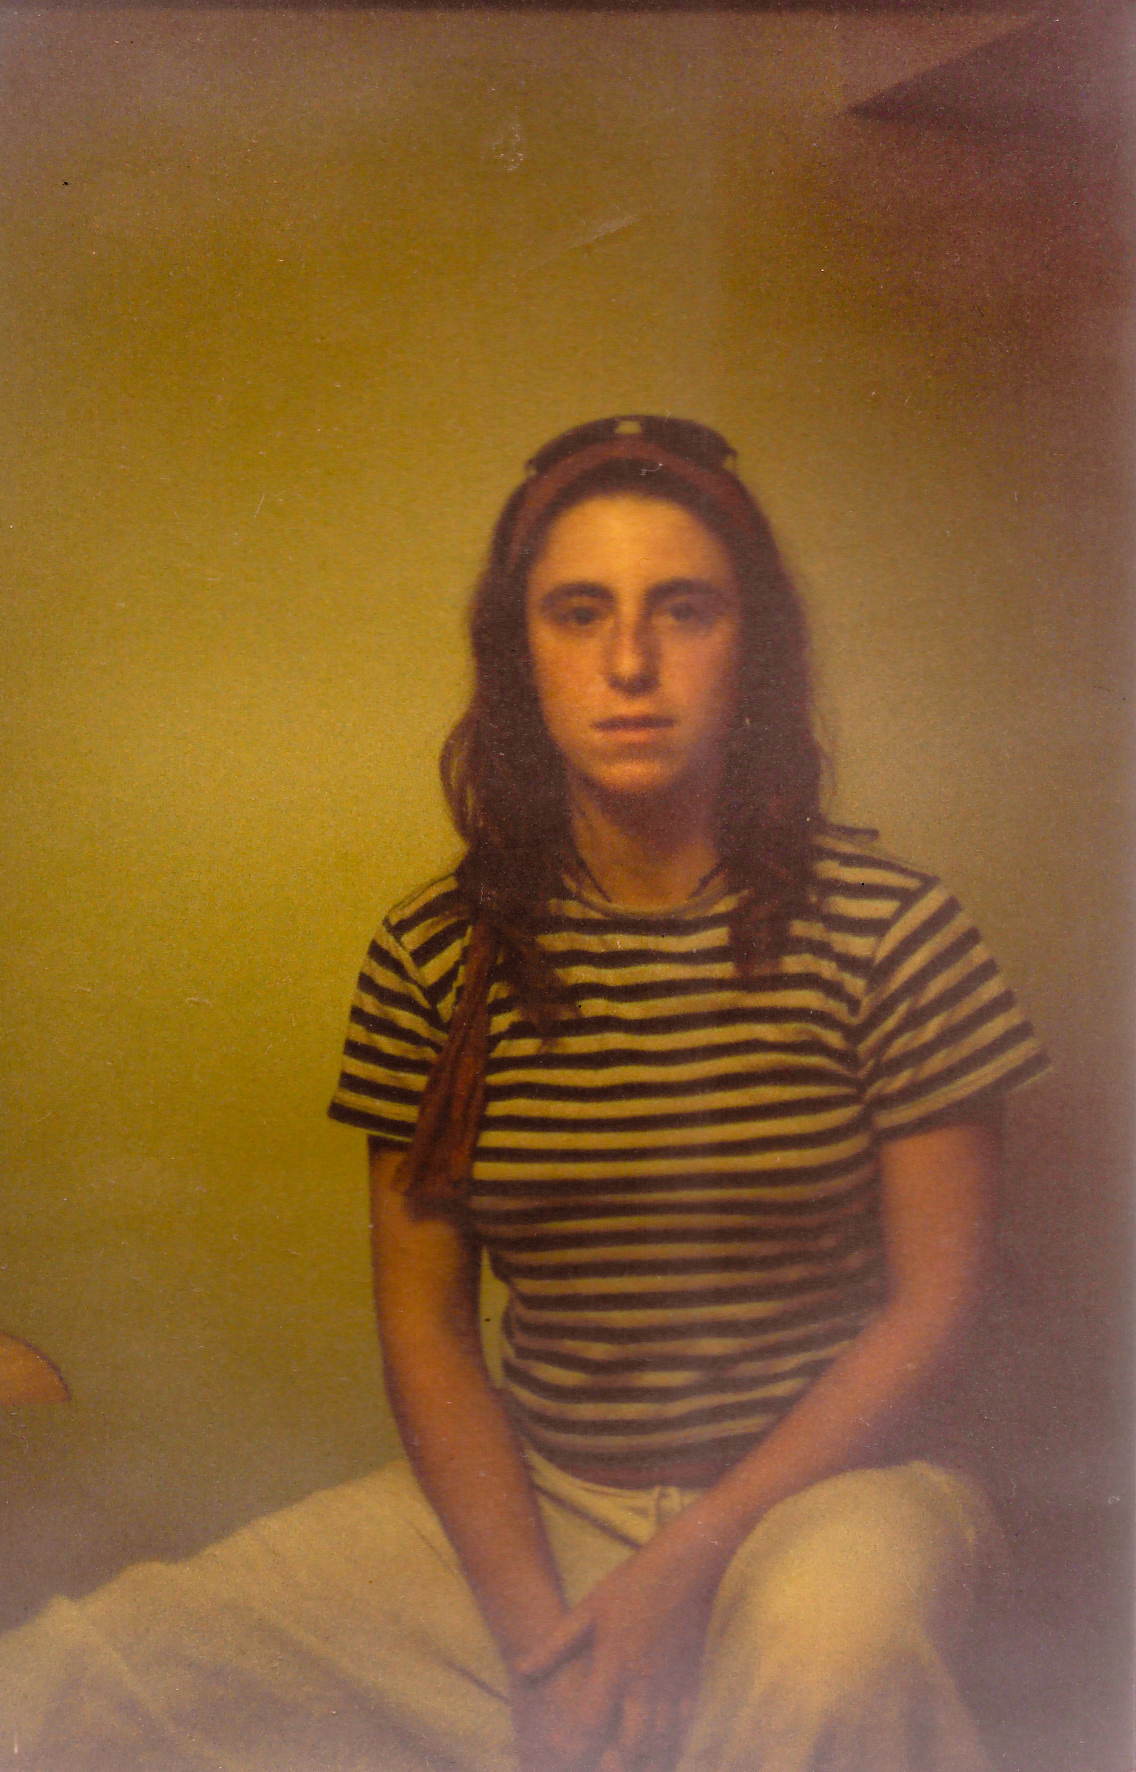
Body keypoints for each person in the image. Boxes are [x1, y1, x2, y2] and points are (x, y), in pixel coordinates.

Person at [0, 416, 1046, 1772]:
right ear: (520, 658)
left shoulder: (891, 931)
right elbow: (429, 1332)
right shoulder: (437, 956)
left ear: (755, 649)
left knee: (822, 1664)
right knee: (87, 1676)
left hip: (829, 1501)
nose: (630, 663)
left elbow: (933, 1317)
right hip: (541, 1512)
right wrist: (537, 1645)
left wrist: (683, 1568)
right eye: (579, 613)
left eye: (685, 610)